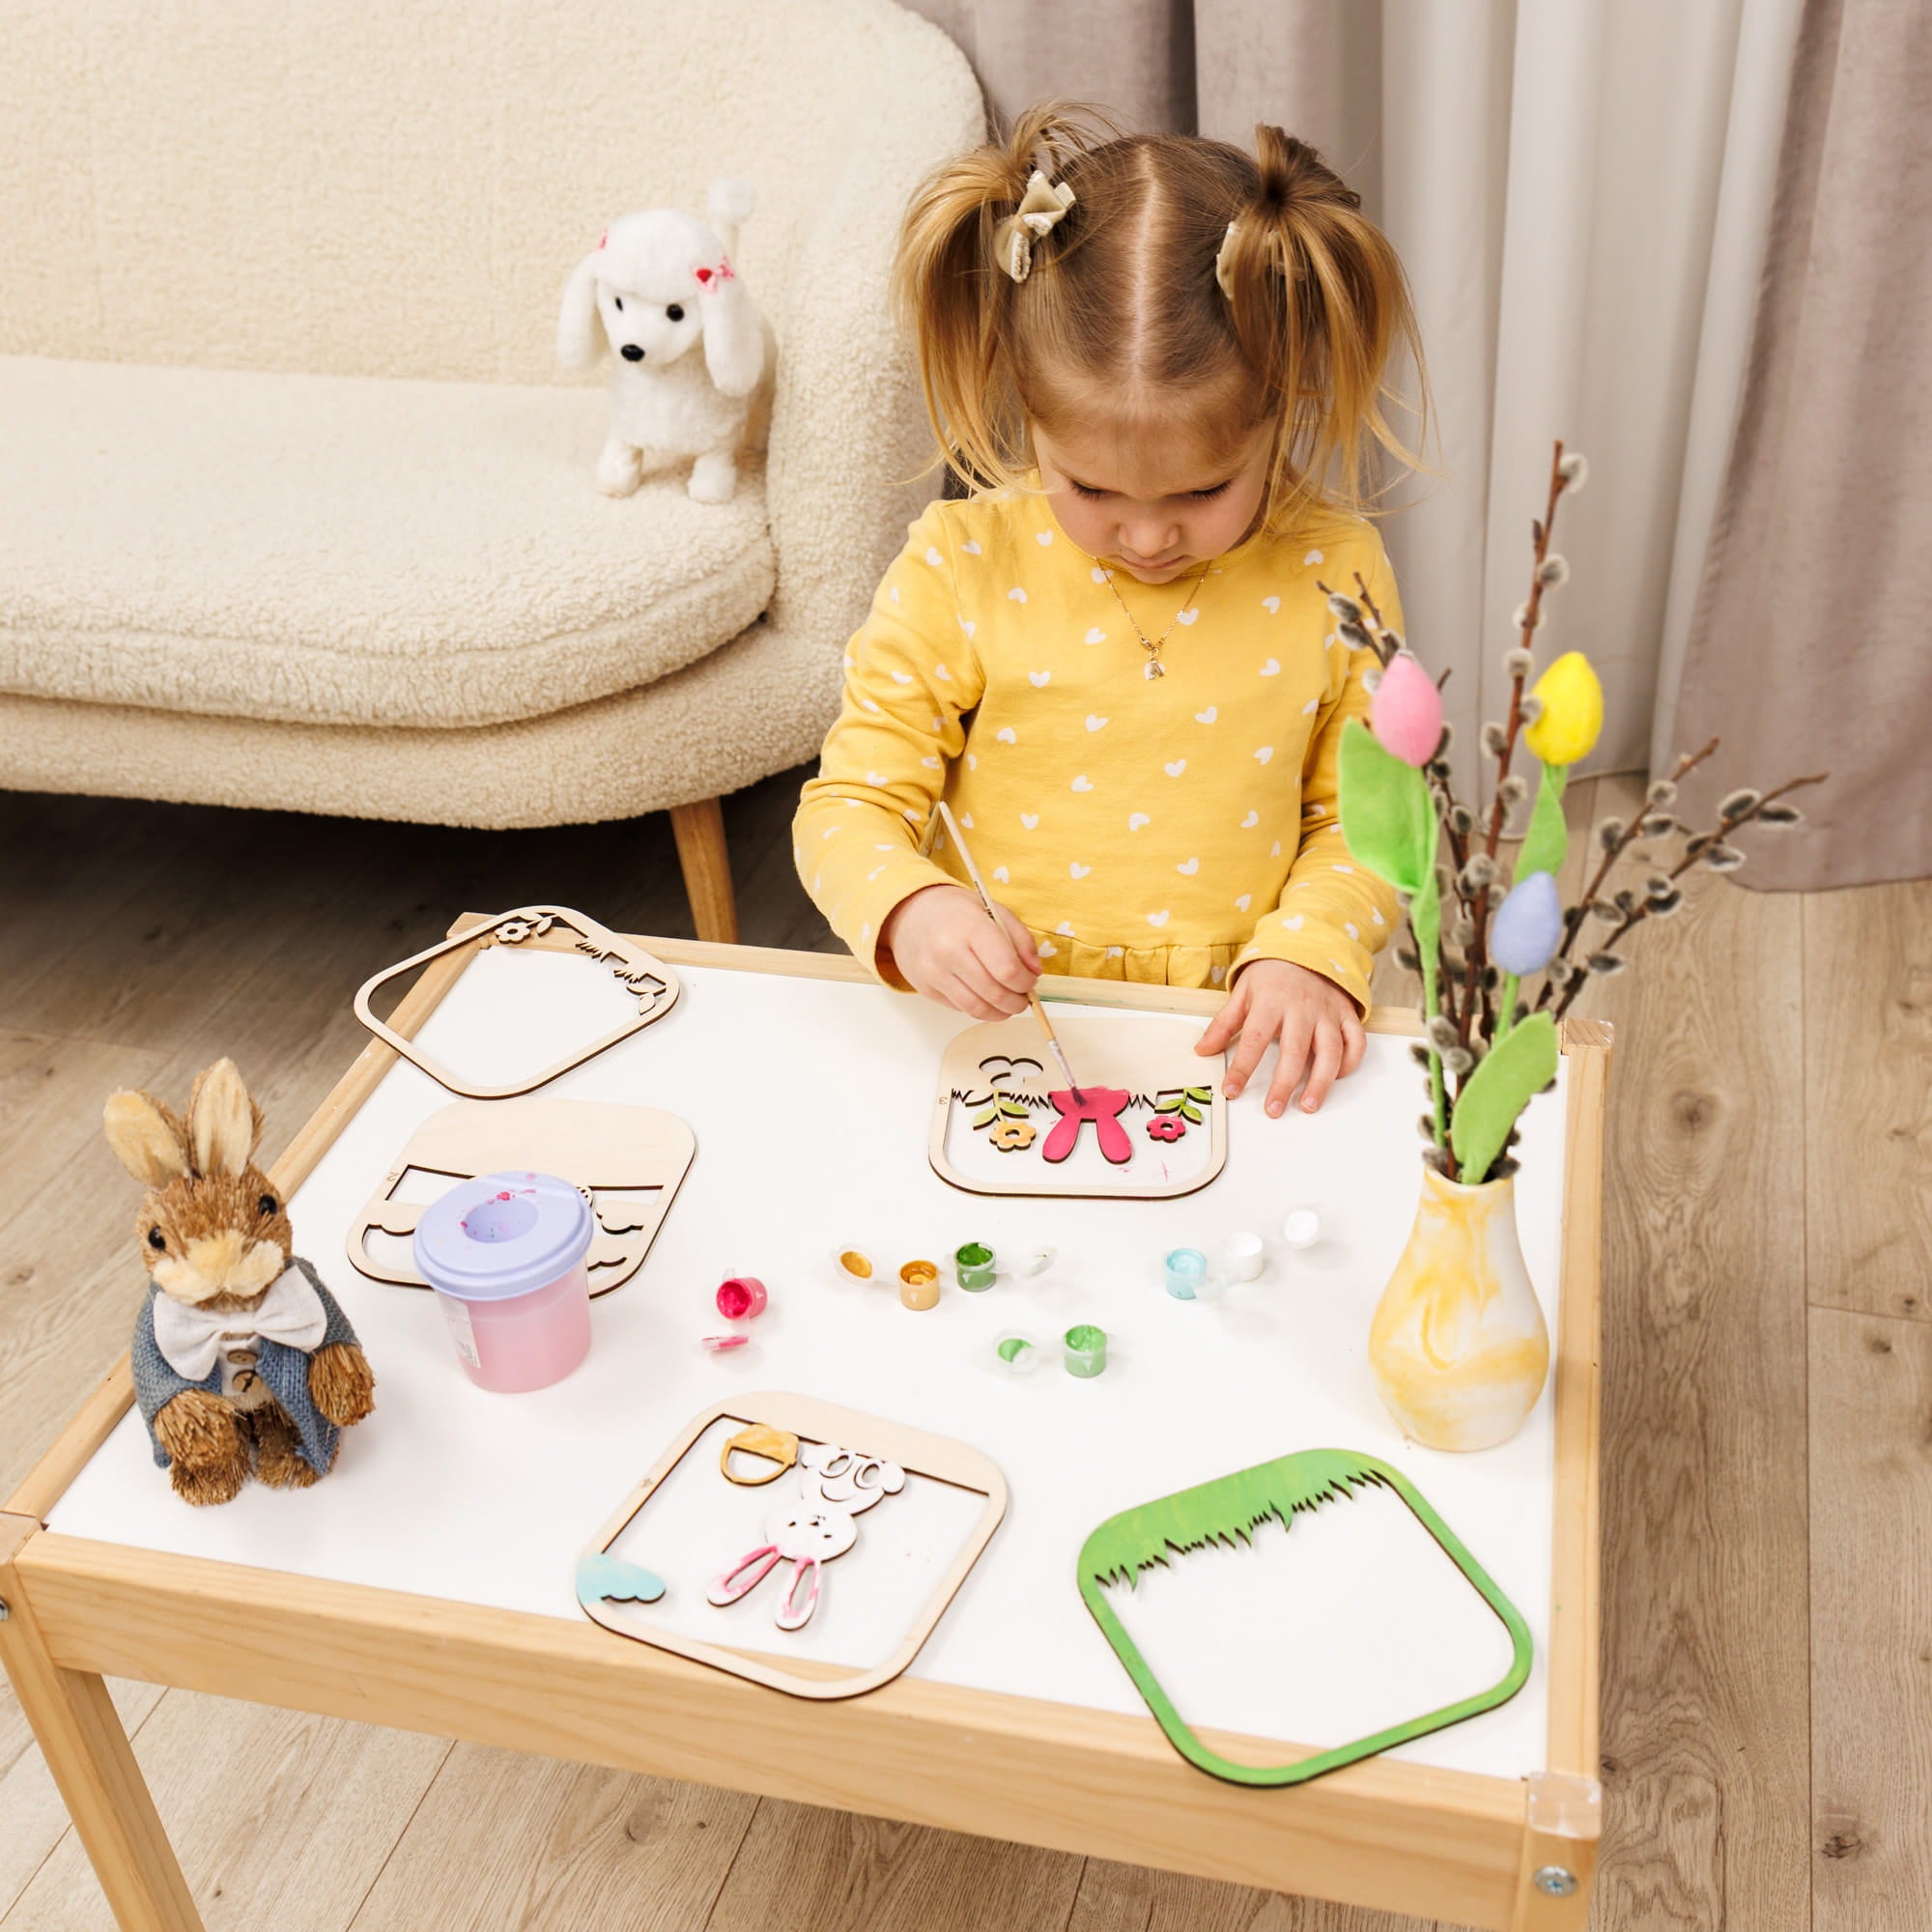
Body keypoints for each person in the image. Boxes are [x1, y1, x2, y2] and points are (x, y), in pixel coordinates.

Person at [793, 104, 1426, 1117]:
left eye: (1197, 492)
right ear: (1026, 412)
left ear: (1284, 407)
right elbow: (848, 805)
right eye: (1088, 490)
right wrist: (909, 907)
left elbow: (1366, 819)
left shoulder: (1333, 567)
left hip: (1240, 1036)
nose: (1143, 538)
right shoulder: (963, 563)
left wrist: (1310, 952)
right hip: (996, 1031)